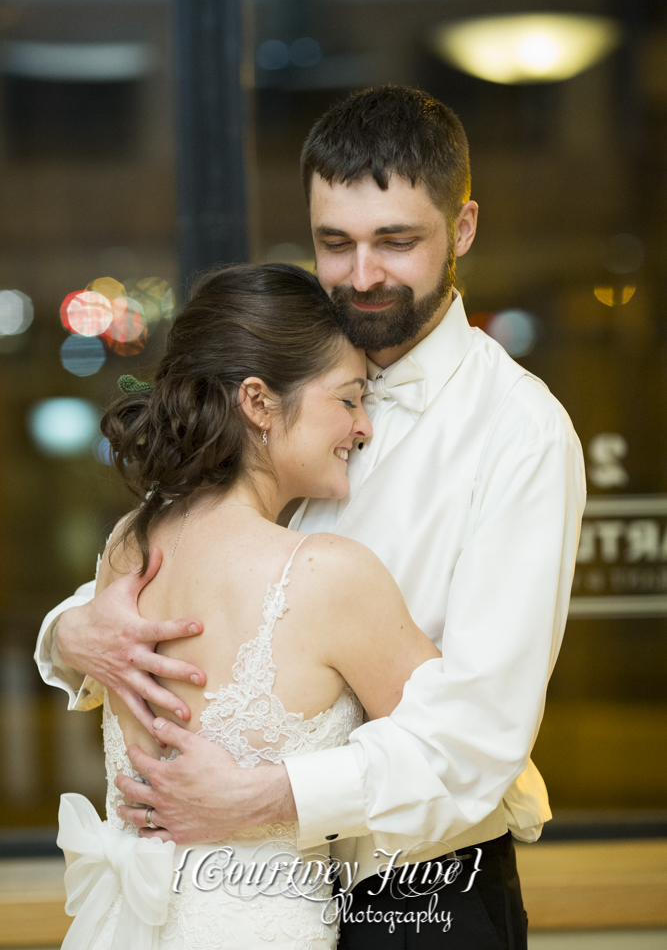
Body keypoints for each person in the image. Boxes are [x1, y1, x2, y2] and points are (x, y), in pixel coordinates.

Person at [37, 86, 586, 949]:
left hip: (418, 891)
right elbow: (191, 562)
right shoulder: (277, 378)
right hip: (229, 895)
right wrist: (70, 635)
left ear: (463, 228)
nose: (361, 275)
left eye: (396, 242)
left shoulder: (519, 431)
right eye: (336, 243)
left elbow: (480, 732)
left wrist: (264, 797)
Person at [54, 261, 440, 949]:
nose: (363, 427)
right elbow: (451, 756)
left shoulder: (129, 544)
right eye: (349, 399)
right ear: (259, 403)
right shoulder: (330, 576)